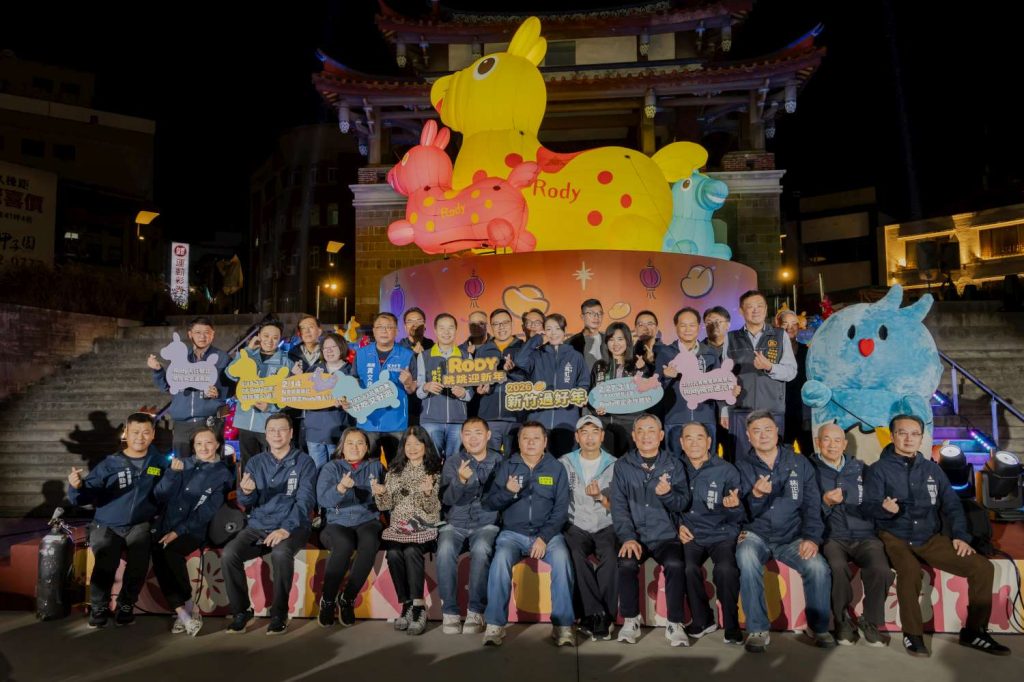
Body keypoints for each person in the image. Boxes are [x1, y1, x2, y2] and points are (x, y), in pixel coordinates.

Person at [864, 414, 1009, 657]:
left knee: (982, 567)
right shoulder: (878, 470)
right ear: (892, 436)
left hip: (928, 537)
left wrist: (960, 536)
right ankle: (913, 634)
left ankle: (974, 632)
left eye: (915, 434)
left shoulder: (932, 469)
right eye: (902, 433)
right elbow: (867, 508)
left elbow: (952, 505)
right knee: (910, 571)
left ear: (922, 437)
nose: (909, 439)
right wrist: (884, 509)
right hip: (894, 536)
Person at [735, 411, 834, 653]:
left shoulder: (799, 463)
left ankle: (818, 627)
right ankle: (758, 629)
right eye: (756, 431)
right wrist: (756, 496)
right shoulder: (741, 467)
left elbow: (812, 505)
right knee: (746, 557)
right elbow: (739, 513)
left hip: (792, 536)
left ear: (777, 431)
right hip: (756, 534)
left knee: (817, 567)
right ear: (748, 436)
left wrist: (811, 538)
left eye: (768, 429)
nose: (763, 435)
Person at [67, 412, 166, 628]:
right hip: (107, 524)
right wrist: (77, 487)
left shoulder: (159, 462)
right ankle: (99, 607)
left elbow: (166, 492)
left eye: (145, 432)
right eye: (135, 432)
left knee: (139, 565)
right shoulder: (110, 463)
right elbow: (84, 496)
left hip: (139, 524)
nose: (140, 437)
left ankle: (126, 605)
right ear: (125, 433)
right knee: (105, 564)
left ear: (153, 434)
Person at [481, 422, 575, 647]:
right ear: (519, 441)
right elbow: (489, 503)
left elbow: (561, 510)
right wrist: (507, 492)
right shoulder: (507, 466)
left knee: (562, 559)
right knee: (500, 559)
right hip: (512, 534)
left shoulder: (556, 468)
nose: (531, 442)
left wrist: (544, 537)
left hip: (548, 535)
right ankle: (494, 624)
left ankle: (563, 626)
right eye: (526, 438)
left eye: (536, 438)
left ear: (545, 442)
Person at [223, 413, 317, 635]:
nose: (277, 434)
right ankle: (241, 611)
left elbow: (305, 502)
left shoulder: (304, 462)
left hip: (292, 525)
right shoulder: (256, 462)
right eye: (272, 430)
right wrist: (246, 493)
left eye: (282, 429)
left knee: (281, 553)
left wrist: (285, 529)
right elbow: (247, 502)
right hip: (259, 524)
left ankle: (279, 613)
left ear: (291, 433)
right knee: (229, 554)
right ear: (265, 434)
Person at [612, 414, 691, 647]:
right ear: (634, 436)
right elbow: (619, 507)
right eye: (641, 431)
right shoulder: (623, 465)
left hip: (665, 536)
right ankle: (630, 620)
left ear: (661, 435)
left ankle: (675, 623)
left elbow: (683, 503)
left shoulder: (674, 464)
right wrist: (628, 537)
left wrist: (668, 494)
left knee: (675, 564)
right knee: (626, 563)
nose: (646, 436)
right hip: (635, 535)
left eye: (651, 430)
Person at [811, 423, 892, 647]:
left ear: (845, 444)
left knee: (881, 569)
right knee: (837, 567)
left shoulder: (861, 469)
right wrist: (825, 502)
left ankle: (870, 621)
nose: (832, 445)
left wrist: (885, 508)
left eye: (837, 440)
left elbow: (875, 502)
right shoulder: (809, 470)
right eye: (826, 439)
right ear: (818, 442)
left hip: (865, 535)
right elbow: (804, 509)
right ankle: (842, 620)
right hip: (832, 536)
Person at [151, 426, 234, 637]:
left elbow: (207, 512)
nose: (203, 448)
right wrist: (171, 474)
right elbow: (159, 495)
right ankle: (184, 611)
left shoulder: (223, 474)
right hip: (165, 525)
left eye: (208, 443)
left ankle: (186, 607)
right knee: (158, 552)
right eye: (199, 443)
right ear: (193, 446)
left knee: (170, 551)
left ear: (217, 444)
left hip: (193, 529)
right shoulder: (181, 464)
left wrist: (178, 532)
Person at [677, 422, 744, 645]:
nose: (694, 443)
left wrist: (734, 506)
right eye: (688, 438)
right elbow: (667, 504)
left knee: (726, 570)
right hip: (691, 534)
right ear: (681, 443)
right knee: (687, 568)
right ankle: (703, 619)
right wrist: (678, 525)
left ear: (708, 442)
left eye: (699, 438)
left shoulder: (726, 470)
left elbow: (740, 515)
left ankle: (732, 625)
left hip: (721, 533)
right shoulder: (675, 468)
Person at [372, 426, 442, 636]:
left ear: (426, 446)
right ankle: (407, 604)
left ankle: (419, 606)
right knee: (393, 553)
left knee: (411, 551)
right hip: (399, 528)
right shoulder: (394, 471)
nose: (412, 448)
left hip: (424, 526)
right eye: (408, 444)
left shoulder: (434, 471)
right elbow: (385, 506)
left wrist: (428, 493)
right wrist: (381, 493)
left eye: (417, 444)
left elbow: (433, 509)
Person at [316, 427, 385, 628]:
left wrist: (383, 494)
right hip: (337, 521)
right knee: (344, 544)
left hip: (367, 519)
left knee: (370, 541)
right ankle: (328, 599)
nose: (355, 447)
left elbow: (387, 503)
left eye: (360, 443)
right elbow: (323, 500)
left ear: (367, 447)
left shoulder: (376, 467)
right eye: (350, 443)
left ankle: (348, 597)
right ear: (342, 447)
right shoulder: (331, 468)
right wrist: (340, 488)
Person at [437, 417, 501, 634]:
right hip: (456, 522)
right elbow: (447, 499)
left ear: (488, 435)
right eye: (468, 434)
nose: (473, 438)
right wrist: (461, 481)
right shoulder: (453, 461)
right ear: (461, 437)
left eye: (478, 433)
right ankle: (450, 612)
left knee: (481, 549)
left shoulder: (499, 461)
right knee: (445, 549)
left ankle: (476, 611)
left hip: (486, 523)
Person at [721, 291, 796, 461]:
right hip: (740, 411)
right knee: (741, 460)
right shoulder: (731, 338)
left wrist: (770, 367)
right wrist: (725, 408)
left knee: (773, 460)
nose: (755, 310)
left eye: (760, 306)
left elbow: (791, 372)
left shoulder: (779, 335)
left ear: (766, 309)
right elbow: (724, 377)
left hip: (772, 410)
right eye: (750, 307)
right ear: (741, 311)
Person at [561, 415, 617, 641]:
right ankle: (597, 614)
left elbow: (618, 506)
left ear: (602, 436)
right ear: (577, 437)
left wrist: (601, 497)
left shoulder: (615, 464)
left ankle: (599, 616)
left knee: (611, 556)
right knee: (575, 554)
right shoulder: (564, 463)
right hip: (575, 524)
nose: (590, 438)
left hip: (606, 524)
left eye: (595, 432)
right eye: (584, 432)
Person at [147, 316, 229, 458]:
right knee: (181, 463)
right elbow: (167, 387)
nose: (202, 336)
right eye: (198, 332)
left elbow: (232, 387)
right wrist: (158, 370)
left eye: (207, 332)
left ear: (213, 334)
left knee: (210, 463)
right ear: (190, 334)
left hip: (210, 421)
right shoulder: (180, 357)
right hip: (182, 422)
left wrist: (219, 392)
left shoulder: (223, 358)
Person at [513, 313, 589, 456]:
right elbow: (519, 361)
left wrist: (580, 395)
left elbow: (584, 382)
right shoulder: (536, 355)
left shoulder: (575, 356)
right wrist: (537, 339)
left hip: (566, 422)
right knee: (538, 462)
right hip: (538, 421)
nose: (553, 333)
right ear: (544, 332)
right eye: (548, 329)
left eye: (557, 328)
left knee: (565, 463)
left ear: (565, 331)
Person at [657, 307, 724, 459]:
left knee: (707, 462)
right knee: (674, 463)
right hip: (675, 419)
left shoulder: (710, 353)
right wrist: (665, 376)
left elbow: (720, 385)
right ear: (676, 327)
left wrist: (724, 408)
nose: (688, 329)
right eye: (683, 325)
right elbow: (655, 388)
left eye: (692, 325)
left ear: (699, 327)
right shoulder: (665, 353)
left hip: (705, 418)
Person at [351, 313, 417, 465]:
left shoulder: (407, 355)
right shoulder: (361, 354)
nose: (384, 331)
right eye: (380, 327)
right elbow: (353, 382)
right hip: (367, 421)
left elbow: (412, 389)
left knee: (397, 466)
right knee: (369, 466)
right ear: (373, 331)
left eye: (389, 327)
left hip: (396, 422)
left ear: (396, 331)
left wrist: (408, 383)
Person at [225, 318, 289, 467]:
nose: (270, 341)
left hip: (269, 424)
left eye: (275, 337)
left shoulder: (285, 362)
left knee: (271, 464)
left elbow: (289, 395)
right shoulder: (249, 356)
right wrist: (247, 350)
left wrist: (270, 407)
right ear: (258, 336)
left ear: (280, 339)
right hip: (245, 421)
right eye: (266, 336)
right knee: (249, 465)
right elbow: (230, 373)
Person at [417, 313, 473, 460]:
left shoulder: (466, 356)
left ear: (456, 330)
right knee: (431, 461)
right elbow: (418, 391)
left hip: (458, 420)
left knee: (454, 461)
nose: (446, 332)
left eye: (450, 328)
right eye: (442, 328)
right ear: (435, 331)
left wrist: (463, 393)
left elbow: (471, 392)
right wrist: (426, 387)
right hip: (431, 420)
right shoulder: (424, 356)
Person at [590, 322, 651, 456]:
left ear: (627, 341)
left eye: (620, 339)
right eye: (611, 339)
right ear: (606, 342)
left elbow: (648, 395)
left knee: (629, 461)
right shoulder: (599, 366)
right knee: (606, 462)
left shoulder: (637, 364)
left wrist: (642, 370)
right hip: (605, 423)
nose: (615, 344)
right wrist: (596, 407)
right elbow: (591, 395)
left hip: (630, 424)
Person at [473, 308, 524, 455]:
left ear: (512, 324)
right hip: (489, 416)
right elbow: (476, 380)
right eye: (496, 324)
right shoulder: (483, 351)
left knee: (514, 459)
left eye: (505, 323)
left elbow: (531, 379)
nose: (501, 327)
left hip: (516, 415)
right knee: (489, 459)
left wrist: (513, 371)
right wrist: (479, 389)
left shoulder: (522, 348)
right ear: (491, 327)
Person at [303, 332, 352, 469]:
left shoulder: (351, 371)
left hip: (339, 433)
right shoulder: (314, 370)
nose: (329, 351)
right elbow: (302, 395)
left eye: (333, 347)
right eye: (325, 348)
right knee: (317, 472)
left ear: (342, 348)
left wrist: (347, 403)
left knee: (338, 471)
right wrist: (294, 376)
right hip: (314, 433)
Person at [777, 309, 813, 456]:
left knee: (809, 453)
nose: (790, 328)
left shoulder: (807, 352)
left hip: (803, 413)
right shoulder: (772, 353)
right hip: (781, 413)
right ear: (778, 326)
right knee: (782, 455)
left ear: (799, 327)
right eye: (785, 324)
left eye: (794, 324)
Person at [286, 315, 325, 449]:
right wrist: (292, 375)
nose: (307, 331)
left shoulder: (328, 352)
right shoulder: (291, 354)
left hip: (320, 412)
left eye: (311, 327)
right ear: (299, 333)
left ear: (319, 331)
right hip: (296, 412)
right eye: (303, 328)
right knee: (297, 449)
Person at [703, 306, 733, 460]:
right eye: (709, 322)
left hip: (733, 411)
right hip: (706, 412)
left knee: (733, 454)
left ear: (728, 324)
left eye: (718, 321)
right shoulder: (697, 351)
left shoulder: (737, 348)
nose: (714, 325)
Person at [399, 307, 433, 427]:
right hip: (405, 408)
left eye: (419, 321)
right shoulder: (398, 349)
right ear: (405, 326)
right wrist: (413, 355)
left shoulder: (433, 347)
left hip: (429, 407)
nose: (415, 324)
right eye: (410, 321)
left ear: (425, 325)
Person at [568, 298, 605, 372]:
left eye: (600, 313)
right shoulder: (571, 343)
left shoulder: (608, 339)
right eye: (591, 313)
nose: (596, 317)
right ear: (582, 317)